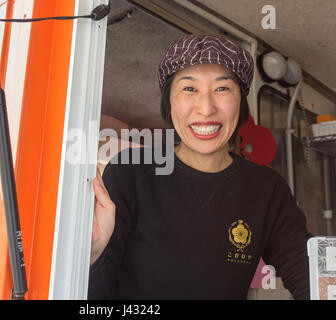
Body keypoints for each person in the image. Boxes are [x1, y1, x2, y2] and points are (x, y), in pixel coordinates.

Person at [88, 33, 313, 299]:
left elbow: (309, 275)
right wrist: (91, 255)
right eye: (189, 89)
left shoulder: (267, 189)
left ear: (240, 103)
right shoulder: (129, 173)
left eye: (222, 89)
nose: (206, 109)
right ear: (169, 103)